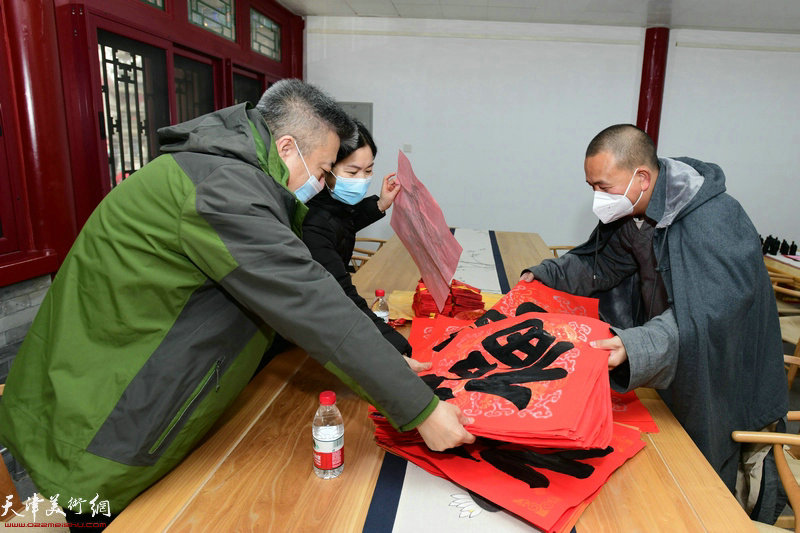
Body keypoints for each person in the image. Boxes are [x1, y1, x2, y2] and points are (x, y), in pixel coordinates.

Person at [0, 79, 473, 529]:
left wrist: (388, 366)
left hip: (114, 378)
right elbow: (307, 297)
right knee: (108, 518)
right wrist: (421, 411)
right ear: (287, 148)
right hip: (105, 410)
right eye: (327, 169)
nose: (326, 183)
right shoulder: (224, 188)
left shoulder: (225, 171)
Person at [520, 124, 787, 521]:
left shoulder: (714, 219)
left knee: (696, 492)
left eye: (604, 186)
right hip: (669, 361)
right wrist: (544, 275)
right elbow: (602, 265)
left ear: (641, 178)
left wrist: (638, 345)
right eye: (591, 186)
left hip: (720, 376)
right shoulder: (636, 213)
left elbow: (713, 314)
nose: (597, 198)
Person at [302, 120, 419, 366]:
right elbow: (342, 296)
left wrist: (380, 204)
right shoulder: (311, 219)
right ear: (326, 167)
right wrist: (392, 348)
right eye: (353, 172)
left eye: (368, 171)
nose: (362, 180)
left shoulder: (327, 202)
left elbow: (342, 222)